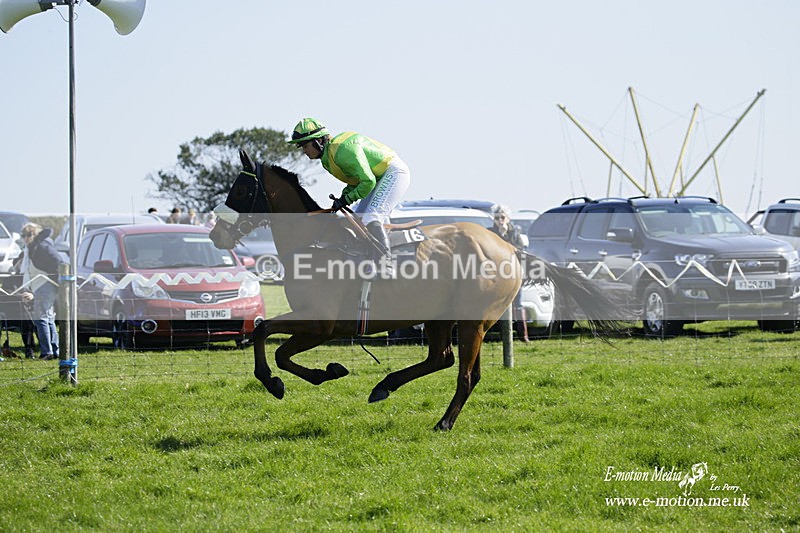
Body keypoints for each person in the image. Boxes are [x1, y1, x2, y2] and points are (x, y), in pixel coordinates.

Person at [288, 117, 411, 278]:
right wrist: (343, 197)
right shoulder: (327, 159)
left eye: (305, 145)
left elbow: (367, 182)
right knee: (357, 220)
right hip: (378, 177)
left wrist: (347, 199)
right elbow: (356, 181)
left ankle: (386, 266)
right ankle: (368, 263)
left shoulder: (342, 151)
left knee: (372, 217)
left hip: (392, 173)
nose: (304, 151)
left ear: (318, 141)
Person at [19, 223, 63, 360]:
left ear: (35, 234)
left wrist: (56, 279)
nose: (25, 238)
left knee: (41, 318)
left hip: (46, 284)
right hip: (40, 285)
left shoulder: (42, 247)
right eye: (23, 235)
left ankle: (47, 352)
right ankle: (54, 350)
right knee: (48, 318)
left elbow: (58, 262)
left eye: (28, 234)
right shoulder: (33, 248)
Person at [489, 205, 529, 342]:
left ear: (508, 218)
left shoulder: (515, 233)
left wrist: (505, 236)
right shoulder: (490, 232)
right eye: (497, 218)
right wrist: (500, 235)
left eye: (502, 217)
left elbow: (519, 250)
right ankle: (503, 335)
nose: (500, 220)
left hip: (515, 272)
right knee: (501, 305)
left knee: (518, 304)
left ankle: (523, 335)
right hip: (497, 274)